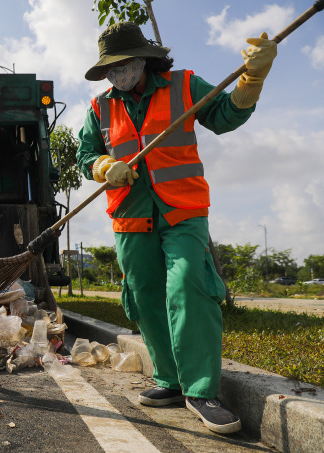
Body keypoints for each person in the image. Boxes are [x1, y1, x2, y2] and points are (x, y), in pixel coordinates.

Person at [77, 23, 276, 434]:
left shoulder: (184, 85)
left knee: (189, 286)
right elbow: (85, 154)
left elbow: (224, 116)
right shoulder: (101, 109)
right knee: (146, 297)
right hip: (131, 216)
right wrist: (103, 167)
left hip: (182, 211)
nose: (118, 74)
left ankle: (201, 390)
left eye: (124, 65)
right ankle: (169, 381)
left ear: (143, 60)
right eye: (110, 69)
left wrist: (252, 78)